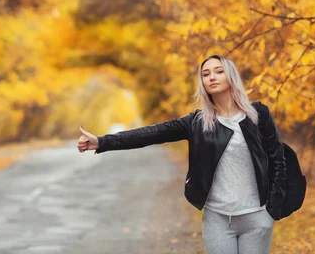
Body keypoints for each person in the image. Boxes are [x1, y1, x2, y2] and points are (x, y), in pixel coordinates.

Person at [77, 54, 287, 254]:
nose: (211, 77)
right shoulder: (196, 122)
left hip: (256, 217)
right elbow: (150, 134)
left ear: (231, 75)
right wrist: (102, 142)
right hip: (218, 219)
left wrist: (271, 211)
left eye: (218, 71)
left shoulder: (258, 115)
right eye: (205, 74)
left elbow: (278, 160)